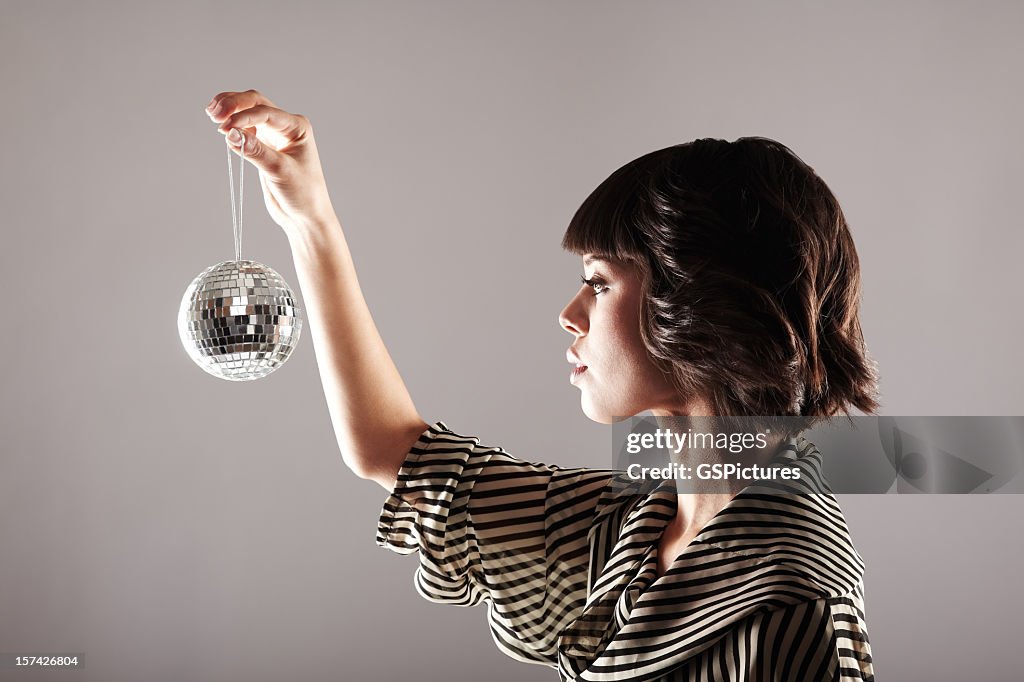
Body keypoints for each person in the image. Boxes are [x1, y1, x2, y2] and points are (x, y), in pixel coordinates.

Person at [205, 89, 879, 681]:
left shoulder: (799, 606)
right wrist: (309, 219)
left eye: (598, 281)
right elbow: (394, 452)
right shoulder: (633, 526)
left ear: (699, 304)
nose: (569, 313)